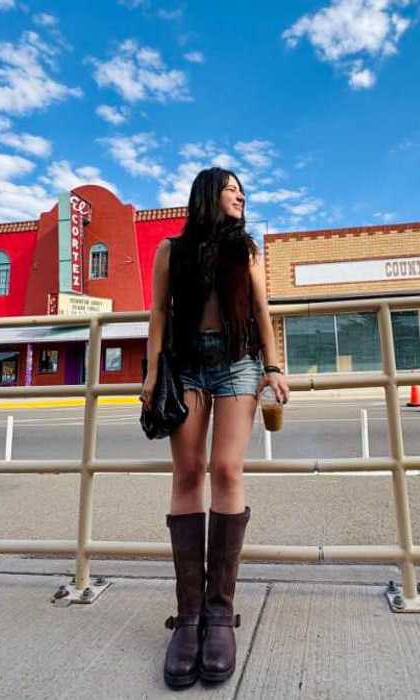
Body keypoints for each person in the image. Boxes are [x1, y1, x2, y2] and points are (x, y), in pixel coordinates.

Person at [140, 166, 290, 688]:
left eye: (243, 191)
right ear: (208, 194)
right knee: (188, 473)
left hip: (237, 364)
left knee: (226, 469)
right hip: (184, 365)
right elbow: (159, 313)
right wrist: (152, 372)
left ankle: (220, 613)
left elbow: (263, 310)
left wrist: (273, 366)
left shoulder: (246, 249)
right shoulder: (170, 250)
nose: (240, 196)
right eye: (231, 190)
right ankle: (189, 617)